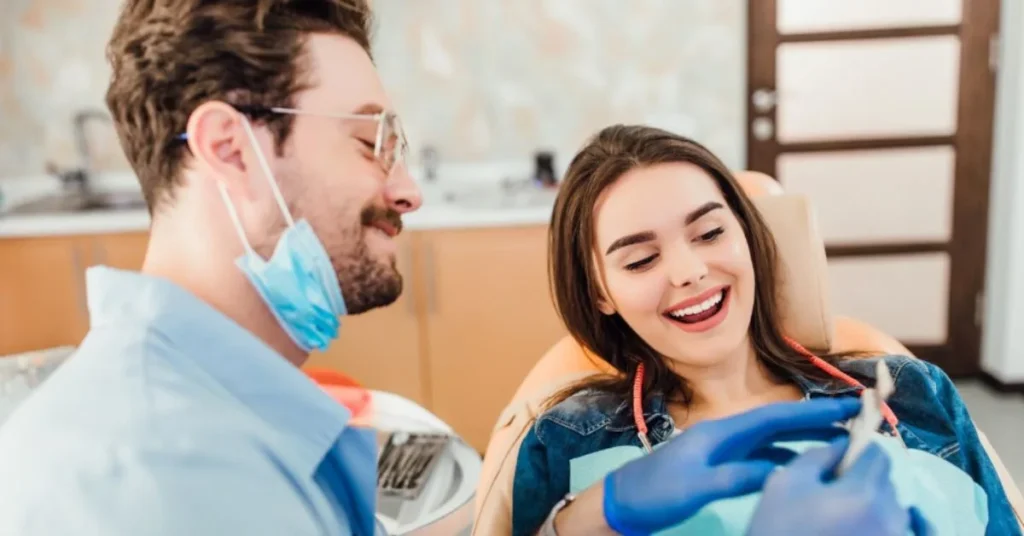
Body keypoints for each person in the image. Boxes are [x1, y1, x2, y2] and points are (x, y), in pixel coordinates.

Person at [0, 1, 984, 534]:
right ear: (228, 150)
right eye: (371, 139)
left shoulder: (236, 416)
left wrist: (582, 519)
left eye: (708, 228)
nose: (409, 188)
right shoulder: (142, 481)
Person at [511, 124, 1022, 536]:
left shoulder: (912, 394)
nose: (688, 270)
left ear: (748, 239)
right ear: (601, 293)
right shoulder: (567, 437)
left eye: (710, 232)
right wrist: (587, 518)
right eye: (641, 259)